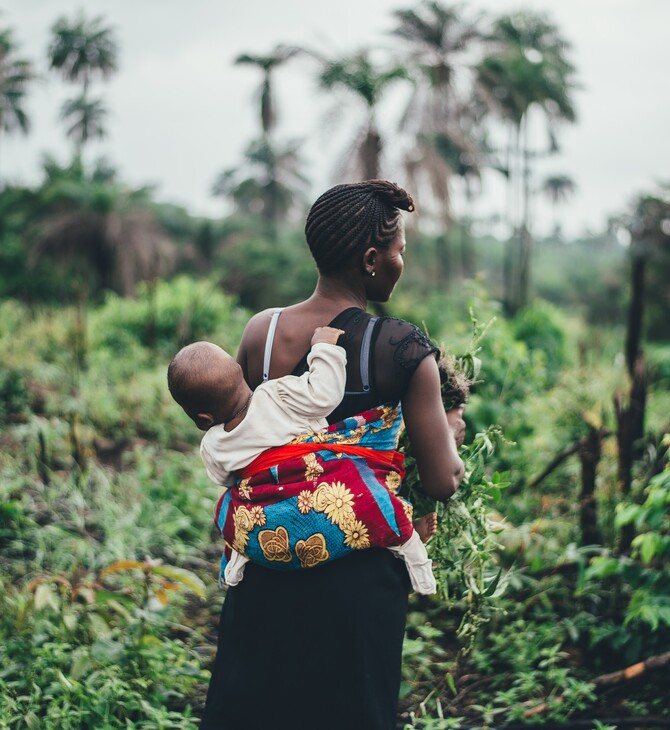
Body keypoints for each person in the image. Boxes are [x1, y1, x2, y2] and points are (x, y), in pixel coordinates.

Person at [200, 180, 465, 730]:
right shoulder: (402, 348)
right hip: (356, 585)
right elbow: (441, 483)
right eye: (399, 251)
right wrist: (451, 437)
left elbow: (250, 436)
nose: (400, 262)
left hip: (266, 565)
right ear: (372, 259)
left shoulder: (261, 334)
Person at [167, 326, 438, 594]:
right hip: (317, 493)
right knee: (368, 498)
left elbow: (227, 480)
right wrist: (323, 347)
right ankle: (412, 551)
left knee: (230, 508)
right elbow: (324, 395)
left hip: (270, 524)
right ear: (240, 374)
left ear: (203, 419)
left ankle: (237, 561)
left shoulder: (213, 444)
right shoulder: (276, 394)